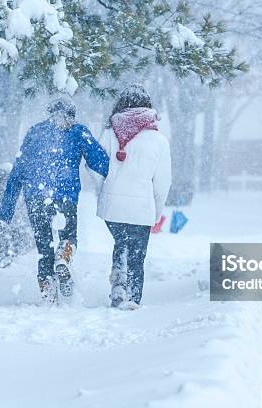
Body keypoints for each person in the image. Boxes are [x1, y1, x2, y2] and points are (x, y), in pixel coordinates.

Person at [0, 98, 109, 303]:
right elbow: (99, 160)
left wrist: (6, 208)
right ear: (72, 115)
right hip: (65, 195)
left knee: (43, 248)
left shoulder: (35, 132)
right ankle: (64, 258)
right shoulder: (78, 131)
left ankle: (49, 296)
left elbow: (18, 170)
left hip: (36, 196)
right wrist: (117, 176)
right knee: (68, 236)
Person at [92, 85, 172, 309]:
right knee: (137, 254)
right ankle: (134, 297)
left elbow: (93, 166)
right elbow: (163, 182)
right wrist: (156, 211)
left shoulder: (108, 134)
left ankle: (119, 285)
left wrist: (105, 187)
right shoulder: (158, 141)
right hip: (141, 207)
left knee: (121, 243)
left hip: (112, 206)